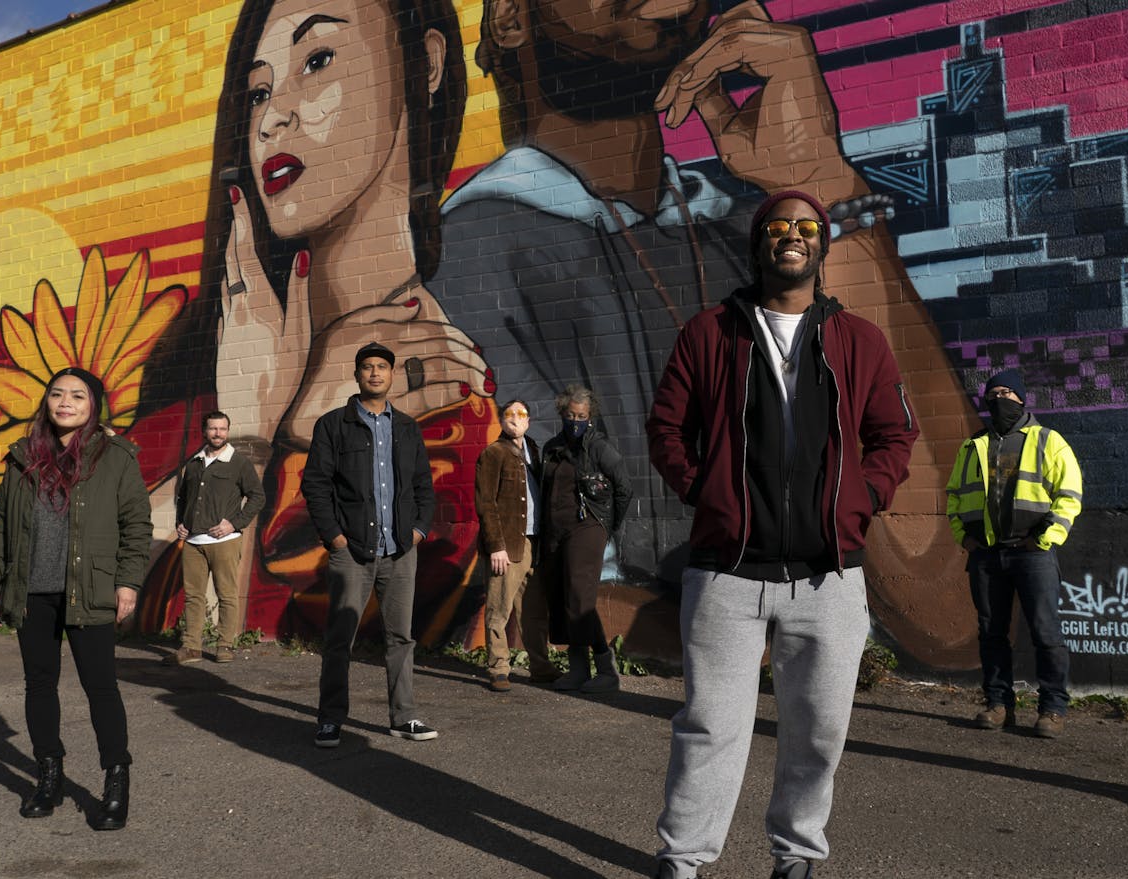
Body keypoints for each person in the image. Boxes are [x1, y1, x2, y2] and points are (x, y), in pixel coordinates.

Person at [436, 0, 978, 596]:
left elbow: (944, 592)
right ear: (511, 18)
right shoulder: (471, 246)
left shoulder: (750, 229)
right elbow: (572, 593)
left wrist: (820, 177)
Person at [134, 0, 491, 644]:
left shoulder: (447, 394)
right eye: (257, 93)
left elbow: (304, 617)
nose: (274, 117)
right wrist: (252, 434)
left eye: (317, 60)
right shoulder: (183, 399)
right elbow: (92, 589)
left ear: (428, 63)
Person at [646, 191, 918, 879]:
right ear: (758, 244)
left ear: (821, 246)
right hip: (725, 574)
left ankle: (795, 855)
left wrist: (863, 499)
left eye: (805, 228)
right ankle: (682, 861)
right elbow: (666, 430)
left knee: (818, 733)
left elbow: (895, 434)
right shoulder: (710, 332)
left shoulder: (859, 339)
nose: (790, 237)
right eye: (776, 227)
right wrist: (707, 495)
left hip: (828, 576)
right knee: (711, 728)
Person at [0, 368, 153, 831]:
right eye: (57, 394)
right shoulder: (22, 458)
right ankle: (49, 777)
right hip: (33, 591)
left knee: (101, 687)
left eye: (77, 395)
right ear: (47, 402)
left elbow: (136, 525)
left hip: (90, 590)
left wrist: (128, 582)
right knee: (39, 685)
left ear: (94, 404)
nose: (65, 402)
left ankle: (116, 782)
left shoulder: (116, 456)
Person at [302, 342, 439, 747]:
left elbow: (423, 488)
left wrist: (416, 533)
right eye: (367, 367)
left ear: (391, 375)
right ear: (357, 374)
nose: (375, 373)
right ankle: (330, 719)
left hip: (399, 551)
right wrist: (335, 538)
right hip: (352, 554)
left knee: (401, 638)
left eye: (382, 367)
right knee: (339, 638)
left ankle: (404, 718)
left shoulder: (407, 427)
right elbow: (316, 485)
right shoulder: (333, 425)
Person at [945, 368, 1082, 738]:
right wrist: (965, 539)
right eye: (993, 393)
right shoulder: (972, 445)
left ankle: (1052, 709)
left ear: (1022, 398)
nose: (1000, 399)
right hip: (986, 555)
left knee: (1046, 631)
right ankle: (998, 704)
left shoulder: (1048, 441)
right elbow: (954, 496)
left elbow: (1069, 496)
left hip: (1032, 553)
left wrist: (1043, 539)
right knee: (991, 633)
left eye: (1007, 392)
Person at [539, 385, 633, 693]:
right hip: (556, 531)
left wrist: (607, 527)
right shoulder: (551, 447)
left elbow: (624, 488)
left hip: (587, 528)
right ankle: (578, 670)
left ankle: (606, 669)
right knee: (562, 597)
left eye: (582, 416)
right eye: (571, 415)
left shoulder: (599, 448)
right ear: (562, 413)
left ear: (590, 417)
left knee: (580, 596)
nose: (576, 421)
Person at [167, 410, 266, 665]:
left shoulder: (239, 463)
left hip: (225, 541)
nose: (218, 433)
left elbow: (257, 497)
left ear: (227, 431)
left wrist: (234, 523)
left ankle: (225, 645)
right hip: (193, 543)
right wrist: (180, 523)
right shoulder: (194, 463)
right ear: (204, 431)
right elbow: (183, 498)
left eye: (222, 429)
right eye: (213, 428)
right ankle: (191, 647)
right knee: (193, 596)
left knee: (227, 595)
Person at [474, 399, 556, 690]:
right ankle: (498, 669)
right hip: (507, 545)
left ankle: (541, 667)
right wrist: (496, 545)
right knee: (499, 608)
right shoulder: (493, 453)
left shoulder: (533, 450)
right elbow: (486, 504)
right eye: (509, 413)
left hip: (533, 542)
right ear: (501, 420)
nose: (515, 418)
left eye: (521, 414)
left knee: (532, 611)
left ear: (528, 421)